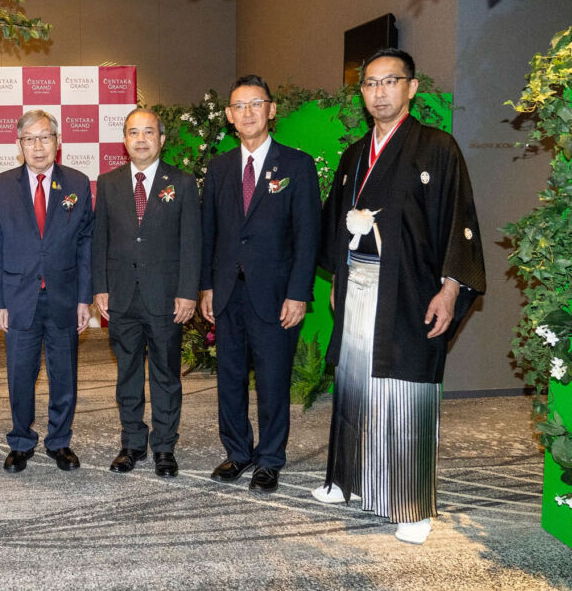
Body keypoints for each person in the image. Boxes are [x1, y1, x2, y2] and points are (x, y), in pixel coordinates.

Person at [313, 49, 485, 544]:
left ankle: (412, 506)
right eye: (370, 84)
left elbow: (460, 225)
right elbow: (336, 228)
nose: (379, 92)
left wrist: (450, 289)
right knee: (354, 381)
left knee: (405, 389)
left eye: (390, 81)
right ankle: (346, 479)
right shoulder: (353, 154)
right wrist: (339, 286)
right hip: (359, 286)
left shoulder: (438, 148)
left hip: (411, 292)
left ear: (412, 88)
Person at [200, 74, 321, 494]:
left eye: (255, 104)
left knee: (273, 380)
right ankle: (237, 452)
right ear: (230, 117)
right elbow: (208, 233)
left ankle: (270, 459)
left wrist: (298, 293)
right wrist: (206, 287)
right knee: (230, 377)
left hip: (275, 295)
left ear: (271, 110)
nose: (247, 112)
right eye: (238, 106)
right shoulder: (218, 168)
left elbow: (308, 235)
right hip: (227, 293)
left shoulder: (297, 165)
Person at [0, 109, 94, 473]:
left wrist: (84, 299)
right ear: (19, 145)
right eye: (29, 139)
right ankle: (20, 440)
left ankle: (59, 441)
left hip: (63, 297)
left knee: (64, 375)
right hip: (18, 299)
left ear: (58, 143)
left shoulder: (77, 183)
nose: (38, 145)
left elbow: (86, 243)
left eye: (45, 137)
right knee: (19, 375)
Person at [92, 108, 201, 477]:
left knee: (166, 374)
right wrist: (100, 287)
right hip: (121, 296)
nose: (141, 139)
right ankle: (132, 443)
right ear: (124, 140)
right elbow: (99, 240)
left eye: (148, 132)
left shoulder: (183, 183)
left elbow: (191, 242)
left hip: (167, 297)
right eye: (133, 132)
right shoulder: (107, 183)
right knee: (127, 374)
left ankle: (165, 446)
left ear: (162, 139)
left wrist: (189, 293)